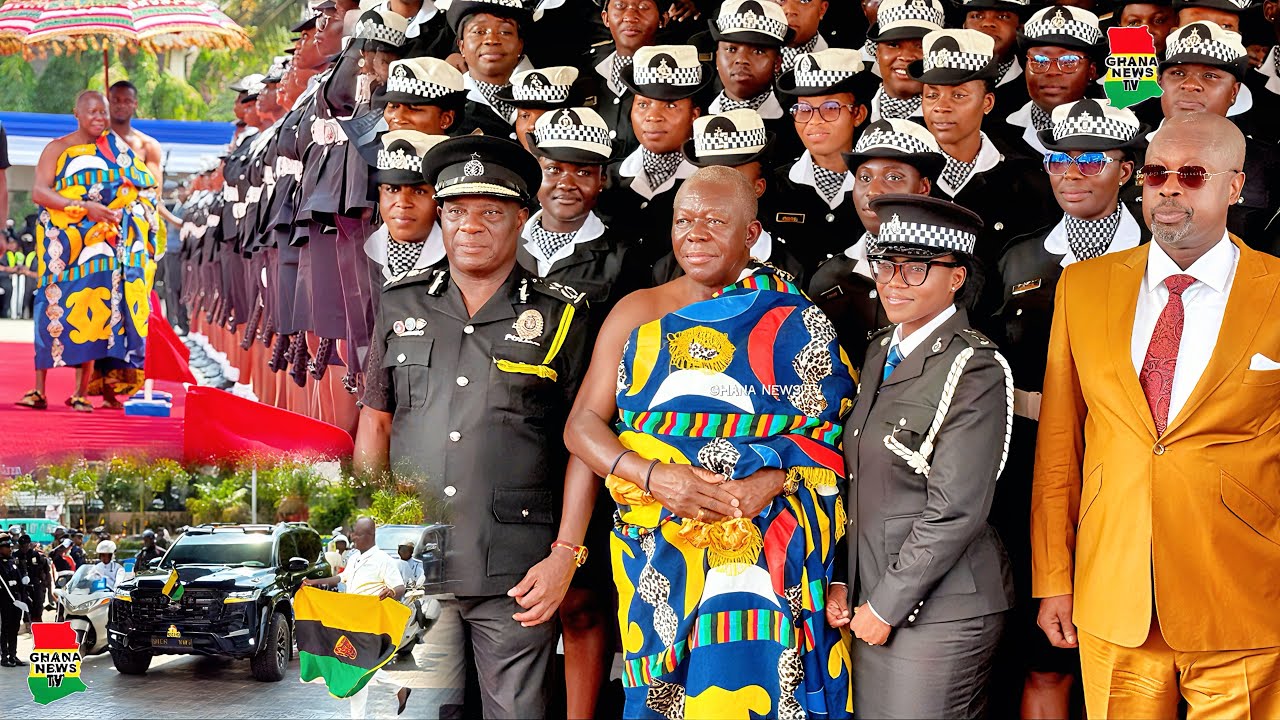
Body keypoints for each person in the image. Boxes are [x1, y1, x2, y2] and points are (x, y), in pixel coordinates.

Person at [565, 166, 854, 719]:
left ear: (751, 234)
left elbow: (828, 435)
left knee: (767, 691)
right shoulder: (639, 311)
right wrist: (654, 476)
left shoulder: (794, 317)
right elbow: (581, 427)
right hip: (660, 548)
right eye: (683, 220)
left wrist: (774, 477)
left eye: (714, 222)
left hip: (771, 553)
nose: (694, 234)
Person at [1032, 112, 1280, 719]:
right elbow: (1061, 446)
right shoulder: (1083, 287)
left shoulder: (1276, 288)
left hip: (1246, 594)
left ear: (1235, 186)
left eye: (1192, 174)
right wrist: (1053, 578)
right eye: (1156, 173)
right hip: (1113, 593)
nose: (1169, 187)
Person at [354, 135, 592, 719]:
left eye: (490, 211)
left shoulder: (564, 315)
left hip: (516, 566)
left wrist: (565, 554)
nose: (470, 226)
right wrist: (367, 539)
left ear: (523, 216)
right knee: (412, 710)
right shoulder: (399, 304)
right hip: (412, 565)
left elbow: (583, 445)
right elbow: (376, 424)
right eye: (457, 211)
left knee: (516, 713)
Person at [828, 193, 1015, 718]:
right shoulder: (879, 348)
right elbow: (861, 481)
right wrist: (845, 577)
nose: (892, 281)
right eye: (885, 265)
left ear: (956, 277)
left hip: (942, 607)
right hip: (876, 596)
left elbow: (955, 508)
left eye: (914, 269)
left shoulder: (974, 365)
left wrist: (887, 603)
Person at [993, 98, 1148, 720]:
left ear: (1127, 172)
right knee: (1043, 654)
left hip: (1131, 459)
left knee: (1139, 649)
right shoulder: (1020, 259)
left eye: (1092, 158)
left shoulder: (1160, 256)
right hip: (1034, 460)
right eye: (1059, 156)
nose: (1072, 170)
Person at [15, 90, 157, 413]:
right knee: (51, 308)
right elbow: (39, 192)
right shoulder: (58, 148)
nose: (99, 118)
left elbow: (140, 187)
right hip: (61, 244)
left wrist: (125, 209)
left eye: (103, 112)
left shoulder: (117, 151)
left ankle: (81, 392)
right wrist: (82, 207)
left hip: (100, 242)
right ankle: (39, 390)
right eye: (92, 111)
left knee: (94, 311)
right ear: (75, 113)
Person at [809, 117, 943, 365]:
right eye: (864, 178)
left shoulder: (950, 272)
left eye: (893, 177)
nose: (873, 191)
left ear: (923, 187)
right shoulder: (827, 278)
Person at [1144, 21, 1280, 253]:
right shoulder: (1124, 154)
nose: (1190, 85)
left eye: (1209, 75)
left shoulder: (1269, 163)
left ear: (1234, 92)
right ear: (1160, 84)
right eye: (1178, 73)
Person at [654, 108, 805, 283]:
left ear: (759, 187)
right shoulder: (668, 269)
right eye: (709, 175)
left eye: (732, 176)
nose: (717, 187)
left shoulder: (791, 269)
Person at [601, 43, 707, 267]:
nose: (653, 117)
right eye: (643, 104)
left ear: (694, 115)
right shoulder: (605, 178)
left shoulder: (708, 182)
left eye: (670, 106)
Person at [768, 48, 869, 274]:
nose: (814, 121)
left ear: (858, 114)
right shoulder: (773, 187)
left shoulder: (877, 188)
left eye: (831, 108)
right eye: (803, 109)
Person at [303, 517, 410, 718]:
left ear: (370, 536)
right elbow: (341, 578)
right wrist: (314, 582)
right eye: (354, 533)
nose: (353, 537)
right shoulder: (354, 558)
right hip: (351, 620)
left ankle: (396, 690)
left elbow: (400, 586)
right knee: (358, 666)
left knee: (356, 666)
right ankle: (398, 688)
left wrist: (391, 592)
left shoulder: (383, 560)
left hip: (369, 624)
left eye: (358, 534)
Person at [997, 5, 1106, 162]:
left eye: (1069, 61)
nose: (1052, 71)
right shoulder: (995, 133)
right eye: (1040, 61)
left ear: (1092, 71)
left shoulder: (1119, 133)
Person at [447, 0, 534, 136]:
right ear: (461, 46)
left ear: (520, 45)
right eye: (479, 31)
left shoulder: (551, 93)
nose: (491, 39)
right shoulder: (447, 104)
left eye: (505, 32)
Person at [864, 0, 943, 122]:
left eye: (921, 46)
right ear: (877, 52)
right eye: (893, 44)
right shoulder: (853, 113)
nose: (906, 57)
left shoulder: (954, 120)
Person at [0, 535, 27, 667]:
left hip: (17, 601)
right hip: (5, 601)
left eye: (10, 547)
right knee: (5, 628)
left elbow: (19, 582)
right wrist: (13, 600)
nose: (10, 549)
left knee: (14, 628)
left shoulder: (12, 562)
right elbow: (4, 584)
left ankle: (13, 654)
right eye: (7, 547)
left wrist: (24, 598)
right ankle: (4, 657)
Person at [16, 535, 50, 628]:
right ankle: (28, 621)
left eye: (26, 545)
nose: (24, 548)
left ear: (29, 544)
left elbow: (44, 568)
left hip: (35, 582)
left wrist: (45, 580)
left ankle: (37, 619)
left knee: (38, 602)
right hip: (22, 584)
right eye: (22, 546)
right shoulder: (16, 555)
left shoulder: (35, 555)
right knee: (26, 603)